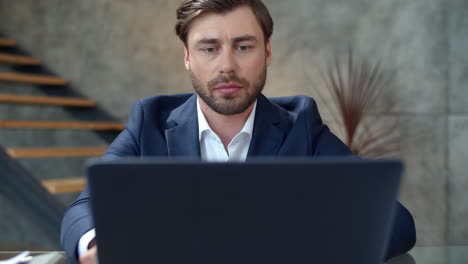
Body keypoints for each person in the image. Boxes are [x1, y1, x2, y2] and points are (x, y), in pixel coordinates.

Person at [61, 0, 416, 263]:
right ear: (187, 56)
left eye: (243, 46)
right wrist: (96, 246)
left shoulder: (302, 125)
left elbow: (395, 221)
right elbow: (83, 208)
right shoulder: (149, 121)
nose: (227, 65)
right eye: (209, 48)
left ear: (267, 52)